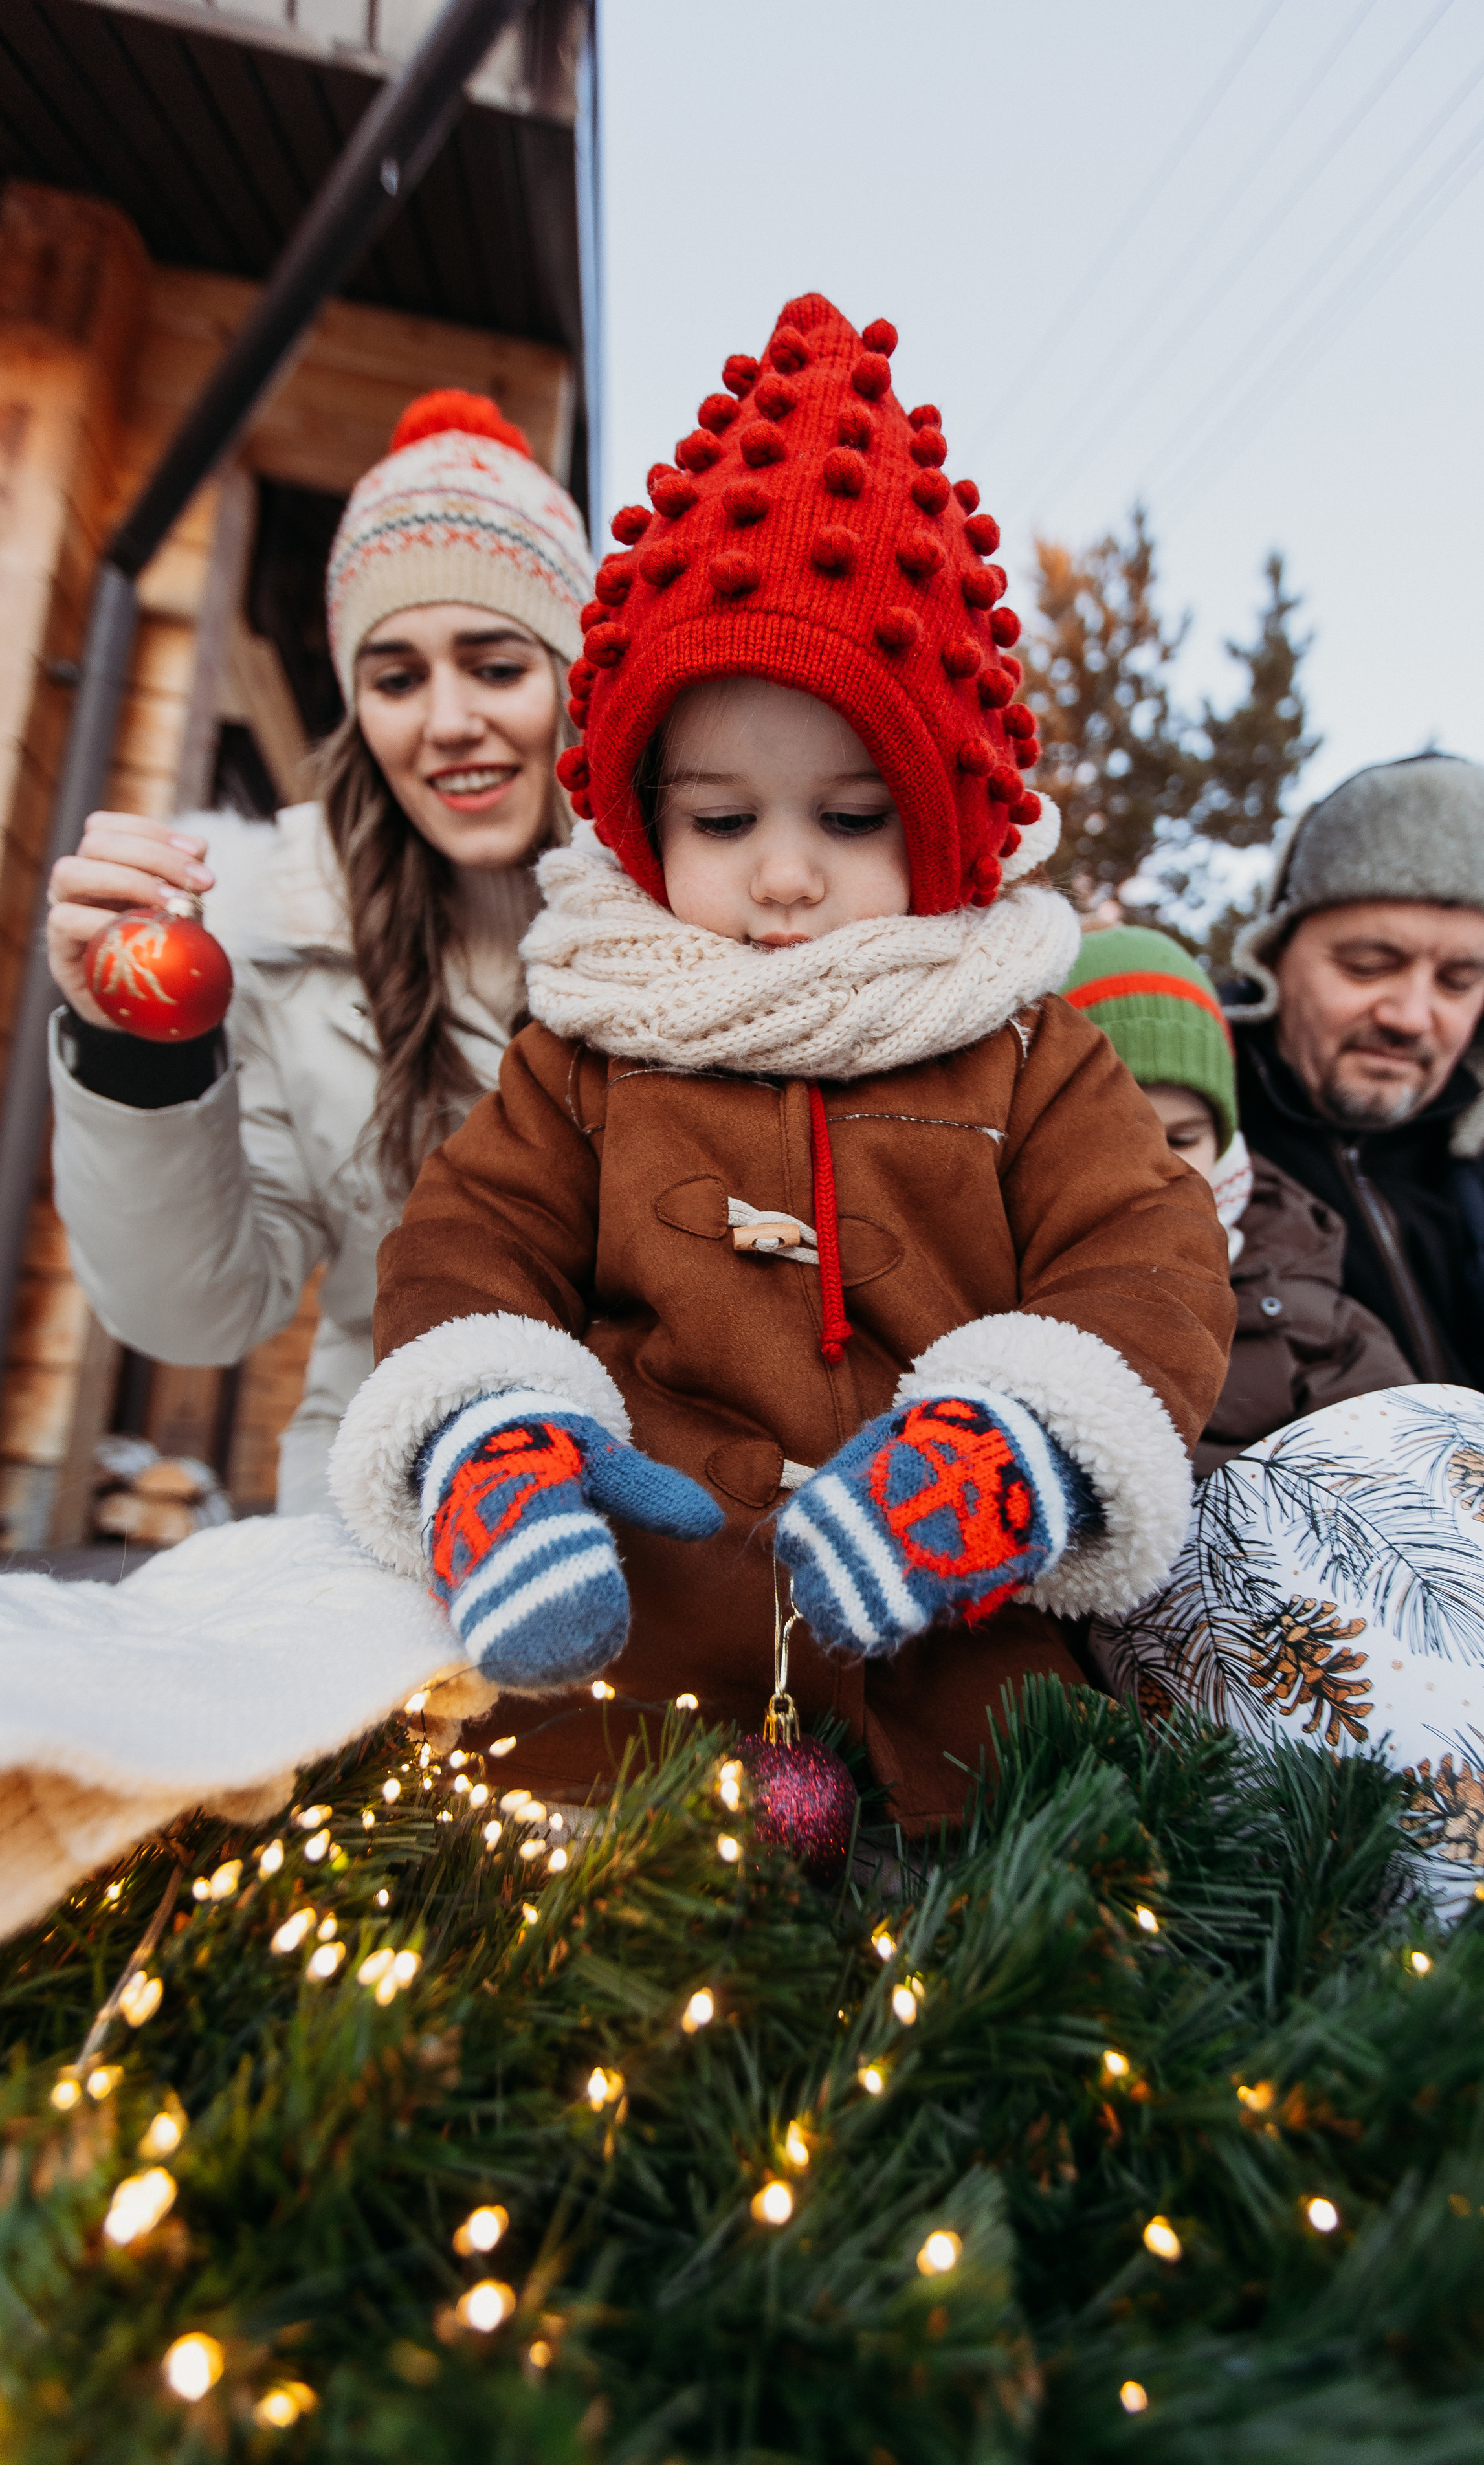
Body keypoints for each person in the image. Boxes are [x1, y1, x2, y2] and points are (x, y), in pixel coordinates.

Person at [329, 293, 1235, 1830]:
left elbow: (1145, 1257)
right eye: (724, 821)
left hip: (957, 1712)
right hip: (632, 1704)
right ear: (645, 818)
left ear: (939, 818)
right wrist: (492, 1427)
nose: (786, 877)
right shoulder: (591, 1042)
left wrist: (1012, 1448)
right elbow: (469, 1244)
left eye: (847, 816)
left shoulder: (1023, 1044)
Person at [45, 393, 593, 1514]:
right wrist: (138, 1059)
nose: (445, 721)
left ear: (577, 685)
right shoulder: (278, 942)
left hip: (669, 1499)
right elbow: (199, 1310)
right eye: (395, 678)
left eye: (495, 667)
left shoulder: (693, 913)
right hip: (386, 1499)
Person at [1224, 754, 1484, 1540]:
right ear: (1276, 952)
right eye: (1367, 965)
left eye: (1458, 980)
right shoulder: (1188, 1120)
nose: (1411, 1015)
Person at [1063, 927, 1412, 1472]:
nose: (1162, 1167)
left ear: (1221, 1141)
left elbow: (1396, 1458)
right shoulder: (1009, 1279)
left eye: (1184, 1139)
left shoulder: (1295, 1285)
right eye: (1120, 1138)